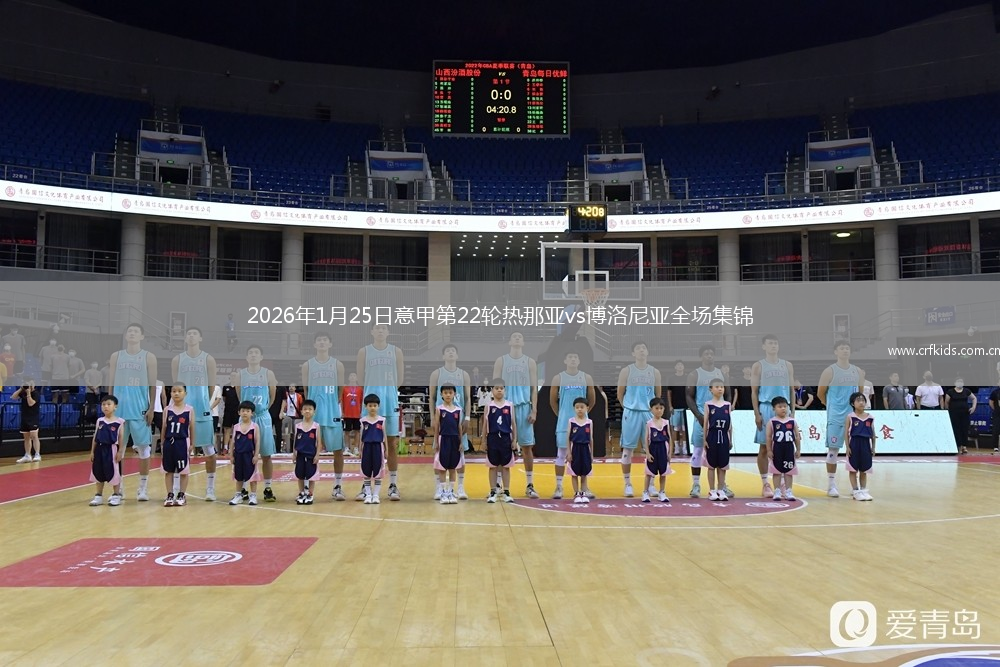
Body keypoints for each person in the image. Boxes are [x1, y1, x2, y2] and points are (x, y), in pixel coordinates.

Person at [109, 323, 158, 502]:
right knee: (117, 450)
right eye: (129, 331)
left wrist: (151, 408)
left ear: (142, 336)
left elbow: (153, 385)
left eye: (136, 331)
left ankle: (142, 489)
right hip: (119, 411)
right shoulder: (116, 356)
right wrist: (109, 406)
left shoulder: (148, 357)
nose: (132, 333)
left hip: (140, 411)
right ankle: (118, 488)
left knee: (144, 450)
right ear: (125, 335)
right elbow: (111, 382)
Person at [357, 324, 404, 501]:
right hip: (371, 402)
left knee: (391, 444)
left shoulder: (396, 351)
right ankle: (365, 486)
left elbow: (400, 379)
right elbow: (361, 378)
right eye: (377, 328)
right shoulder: (364, 352)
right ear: (372, 331)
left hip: (390, 401)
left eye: (383, 328)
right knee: (367, 445)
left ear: (388, 332)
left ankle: (393, 485)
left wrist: (388, 390)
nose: (380, 331)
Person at [172, 326, 219, 500]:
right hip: (181, 410)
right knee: (180, 451)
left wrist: (203, 401)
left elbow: (211, 386)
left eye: (195, 334)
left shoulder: (208, 359)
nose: (191, 336)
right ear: (185, 338)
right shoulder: (177, 359)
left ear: (200, 338)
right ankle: (176, 489)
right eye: (188, 334)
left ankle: (210, 488)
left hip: (202, 410)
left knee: (209, 451)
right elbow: (176, 385)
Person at [302, 332, 348, 501]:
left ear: (330, 344)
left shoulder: (337, 365)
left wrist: (334, 404)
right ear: (314, 344)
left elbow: (340, 389)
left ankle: (337, 486)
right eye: (319, 340)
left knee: (338, 451)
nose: (322, 342)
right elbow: (306, 390)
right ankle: (307, 488)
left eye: (325, 340)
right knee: (307, 452)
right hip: (314, 416)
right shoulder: (307, 365)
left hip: (332, 414)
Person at [817, 340, 865, 498]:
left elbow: (859, 394)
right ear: (835, 352)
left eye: (847, 348)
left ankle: (855, 486)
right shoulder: (829, 371)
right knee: (833, 451)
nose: (845, 350)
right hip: (836, 417)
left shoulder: (858, 371)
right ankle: (831, 485)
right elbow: (820, 393)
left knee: (855, 451)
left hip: (853, 417)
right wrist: (832, 406)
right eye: (842, 348)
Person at [493, 332, 539, 498]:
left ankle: (530, 485)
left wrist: (534, 410)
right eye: (514, 336)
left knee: (527, 447)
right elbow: (495, 387)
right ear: (509, 341)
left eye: (520, 336)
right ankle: (498, 484)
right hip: (505, 408)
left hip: (524, 407)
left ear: (523, 342)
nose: (518, 338)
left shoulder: (530, 362)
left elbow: (534, 388)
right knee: (501, 446)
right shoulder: (501, 361)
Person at [616, 341, 664, 498]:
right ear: (633, 353)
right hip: (631, 412)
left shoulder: (655, 372)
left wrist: (654, 411)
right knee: (627, 449)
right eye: (638, 348)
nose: (641, 350)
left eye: (644, 348)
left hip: (648, 413)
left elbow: (657, 395)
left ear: (647, 352)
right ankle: (627, 484)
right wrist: (627, 407)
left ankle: (651, 484)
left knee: (652, 449)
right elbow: (620, 393)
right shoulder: (626, 371)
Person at [751, 334, 794, 498]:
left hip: (784, 408)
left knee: (784, 447)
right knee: (764, 447)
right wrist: (757, 413)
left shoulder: (787, 365)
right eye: (770, 343)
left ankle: (782, 483)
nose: (773, 346)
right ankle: (765, 483)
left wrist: (793, 411)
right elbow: (754, 392)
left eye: (775, 343)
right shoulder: (758, 366)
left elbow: (791, 389)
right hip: (767, 407)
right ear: (764, 346)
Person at [549, 350, 595, 500]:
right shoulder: (558, 378)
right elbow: (552, 401)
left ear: (579, 360)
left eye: (576, 357)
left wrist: (582, 416)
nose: (573, 359)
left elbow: (592, 399)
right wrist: (562, 414)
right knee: (561, 455)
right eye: (570, 357)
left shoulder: (586, 378)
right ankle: (559, 486)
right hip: (564, 422)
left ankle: (585, 488)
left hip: (582, 423)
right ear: (565, 360)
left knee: (584, 455)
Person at [686, 345, 729, 499]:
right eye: (706, 353)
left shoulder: (722, 374)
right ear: (701, 356)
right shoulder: (694, 374)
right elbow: (689, 396)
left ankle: (722, 486)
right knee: (698, 450)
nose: (709, 356)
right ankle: (696, 484)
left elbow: (728, 394)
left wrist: (726, 411)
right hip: (701, 417)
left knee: (721, 452)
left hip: (719, 419)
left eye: (712, 353)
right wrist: (698, 415)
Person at [430, 344, 472, 500]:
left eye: (453, 351)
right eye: (447, 351)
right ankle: (439, 488)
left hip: (457, 418)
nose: (450, 353)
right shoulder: (436, 374)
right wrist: (433, 418)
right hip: (442, 418)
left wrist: (467, 417)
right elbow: (432, 398)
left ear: (457, 355)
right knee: (439, 455)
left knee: (460, 455)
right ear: (443, 356)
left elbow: (468, 398)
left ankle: (459, 488)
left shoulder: (464, 374)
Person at [239, 345, 278, 502]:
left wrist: (264, 409)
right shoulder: (240, 375)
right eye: (250, 353)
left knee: (266, 454)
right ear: (246, 357)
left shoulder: (268, 374)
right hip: (246, 418)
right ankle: (243, 488)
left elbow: (273, 395)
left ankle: (268, 487)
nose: (253, 355)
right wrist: (247, 411)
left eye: (256, 353)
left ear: (261, 357)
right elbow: (239, 394)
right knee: (243, 455)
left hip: (262, 416)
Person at [161, 384, 195, 507]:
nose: (176, 393)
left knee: (183, 470)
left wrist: (192, 443)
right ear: (170, 393)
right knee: (168, 470)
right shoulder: (167, 410)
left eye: (180, 391)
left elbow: (192, 427)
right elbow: (164, 427)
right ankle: (170, 494)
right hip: (169, 442)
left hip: (182, 442)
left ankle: (181, 494)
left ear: (185, 393)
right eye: (174, 391)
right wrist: (162, 442)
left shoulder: (189, 410)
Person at [484, 378, 517, 503]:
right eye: (496, 388)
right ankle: (493, 491)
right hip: (492, 438)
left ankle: (506, 492)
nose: (499, 390)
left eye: (501, 388)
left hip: (505, 438)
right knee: (492, 466)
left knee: (506, 466)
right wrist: (483, 440)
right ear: (492, 390)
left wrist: (514, 440)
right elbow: (485, 424)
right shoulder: (489, 406)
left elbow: (513, 423)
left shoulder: (509, 405)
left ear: (505, 390)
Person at [88, 394, 125, 506]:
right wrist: (92, 451)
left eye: (109, 404)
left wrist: (120, 452)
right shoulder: (100, 421)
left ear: (115, 407)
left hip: (112, 449)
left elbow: (121, 438)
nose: (105, 406)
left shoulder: (119, 422)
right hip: (99, 448)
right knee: (98, 472)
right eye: (103, 404)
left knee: (114, 473)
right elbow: (95, 437)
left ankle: (116, 495)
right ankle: (98, 496)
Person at [432, 383, 465, 505]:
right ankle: (442, 492)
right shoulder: (439, 409)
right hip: (443, 439)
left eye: (450, 393)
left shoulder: (458, 410)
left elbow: (459, 427)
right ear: (441, 394)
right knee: (442, 467)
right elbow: (437, 427)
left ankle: (450, 491)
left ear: (454, 394)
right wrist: (436, 441)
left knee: (452, 467)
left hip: (455, 440)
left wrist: (461, 442)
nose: (448, 395)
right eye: (445, 393)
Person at [703, 378, 733, 502]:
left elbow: (730, 424)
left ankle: (721, 489)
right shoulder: (708, 404)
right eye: (717, 387)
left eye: (722, 386)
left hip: (724, 437)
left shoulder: (727, 405)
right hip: (712, 436)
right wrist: (704, 439)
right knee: (711, 465)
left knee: (723, 465)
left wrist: (730, 439)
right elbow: (705, 423)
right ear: (711, 389)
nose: (720, 389)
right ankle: (712, 490)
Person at [765, 396, 800, 501]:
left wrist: (798, 449)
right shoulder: (772, 422)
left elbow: (797, 436)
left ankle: (789, 491)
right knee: (777, 470)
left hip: (789, 448)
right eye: (780, 407)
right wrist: (769, 450)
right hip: (777, 448)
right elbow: (768, 437)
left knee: (789, 471)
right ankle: (777, 491)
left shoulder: (792, 421)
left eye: (785, 406)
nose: (783, 408)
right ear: (774, 408)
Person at [228, 400, 262, 506]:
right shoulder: (236, 427)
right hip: (238, 455)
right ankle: (238, 495)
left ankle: (253, 495)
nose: (245, 413)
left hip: (250, 455)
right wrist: (231, 455)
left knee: (252, 476)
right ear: (239, 412)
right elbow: (233, 442)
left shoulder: (254, 426)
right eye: (243, 411)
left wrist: (256, 455)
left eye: (248, 411)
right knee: (238, 476)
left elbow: (257, 442)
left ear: (252, 413)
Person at [845, 392, 876, 501]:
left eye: (863, 400)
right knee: (853, 469)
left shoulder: (870, 417)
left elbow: (873, 434)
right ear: (852, 403)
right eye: (858, 400)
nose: (861, 402)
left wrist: (873, 447)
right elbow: (846, 433)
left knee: (864, 469)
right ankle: (855, 491)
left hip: (866, 444)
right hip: (854, 443)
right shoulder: (850, 417)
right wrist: (847, 447)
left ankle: (863, 490)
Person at [359, 393, 388, 504]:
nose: (372, 408)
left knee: (378, 472)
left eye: (375, 405)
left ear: (378, 406)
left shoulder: (382, 420)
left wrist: (386, 449)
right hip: (366, 447)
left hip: (378, 447)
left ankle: (376, 495)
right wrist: (359, 450)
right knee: (366, 471)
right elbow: (361, 437)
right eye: (370, 405)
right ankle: (368, 495)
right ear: (366, 406)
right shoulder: (363, 421)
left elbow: (384, 436)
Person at [294, 399, 323, 505]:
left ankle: (310, 494)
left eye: (310, 409)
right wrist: (294, 454)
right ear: (301, 411)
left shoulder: (316, 426)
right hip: (300, 454)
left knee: (311, 475)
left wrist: (317, 455)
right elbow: (295, 441)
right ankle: (301, 493)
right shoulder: (298, 426)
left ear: (314, 412)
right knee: (300, 474)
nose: (307, 411)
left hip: (311, 454)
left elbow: (319, 442)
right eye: (305, 409)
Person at [643, 397, 672, 503]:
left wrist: (670, 453)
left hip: (663, 449)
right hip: (653, 449)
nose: (659, 410)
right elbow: (646, 439)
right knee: (649, 473)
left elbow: (670, 439)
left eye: (661, 408)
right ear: (651, 409)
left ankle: (662, 492)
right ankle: (645, 492)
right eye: (656, 408)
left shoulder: (666, 423)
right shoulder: (649, 423)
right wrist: (647, 453)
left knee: (663, 473)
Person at [566, 396, 594, 504]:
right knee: (574, 472)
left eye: (582, 407)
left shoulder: (589, 422)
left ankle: (583, 492)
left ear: (587, 408)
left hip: (585, 449)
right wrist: (569, 452)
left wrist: (592, 454)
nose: (579, 409)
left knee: (584, 473)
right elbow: (568, 438)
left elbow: (591, 439)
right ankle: (576, 493)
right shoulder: (571, 421)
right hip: (575, 449)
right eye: (577, 407)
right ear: (574, 408)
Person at [945, 378, 977, 454]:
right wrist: (948, 411)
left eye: (961, 382)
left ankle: (964, 446)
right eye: (958, 381)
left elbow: (974, 398)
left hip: (965, 413)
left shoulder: (966, 391)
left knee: (964, 429)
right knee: (956, 429)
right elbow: (946, 402)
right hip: (954, 413)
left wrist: (973, 407)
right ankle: (958, 446)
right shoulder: (950, 392)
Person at [13, 380, 40, 463]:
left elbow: (30, 403)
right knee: (26, 437)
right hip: (25, 417)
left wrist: (28, 393)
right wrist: (21, 389)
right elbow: (13, 397)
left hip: (33, 417)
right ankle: (27, 455)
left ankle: (37, 454)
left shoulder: (36, 394)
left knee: (34, 436)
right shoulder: (23, 393)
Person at [668, 360, 689, 457]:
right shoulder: (671, 378)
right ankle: (676, 447)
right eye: (678, 365)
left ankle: (684, 447)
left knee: (684, 428)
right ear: (675, 367)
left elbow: (690, 392)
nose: (680, 366)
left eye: (681, 365)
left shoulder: (687, 378)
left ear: (684, 367)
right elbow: (669, 392)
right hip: (675, 407)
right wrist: (670, 405)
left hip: (685, 407)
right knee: (675, 428)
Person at [340, 372, 363, 457]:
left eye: (354, 376)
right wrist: (342, 412)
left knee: (357, 431)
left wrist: (361, 412)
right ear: (348, 378)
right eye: (351, 375)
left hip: (357, 414)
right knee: (347, 431)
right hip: (347, 414)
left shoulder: (360, 389)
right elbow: (342, 401)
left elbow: (361, 402)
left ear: (357, 378)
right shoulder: (345, 389)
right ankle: (347, 447)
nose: (353, 377)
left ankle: (356, 448)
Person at [220, 371, 241, 456]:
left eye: (235, 376)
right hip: (228, 411)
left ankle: (236, 447)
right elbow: (224, 398)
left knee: (237, 430)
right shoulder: (226, 387)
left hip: (237, 412)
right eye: (232, 376)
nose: (233, 377)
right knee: (227, 429)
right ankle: (225, 448)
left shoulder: (239, 387)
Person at [282, 385, 304, 453]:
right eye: (290, 386)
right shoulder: (286, 395)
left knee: (295, 433)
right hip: (287, 416)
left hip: (296, 416)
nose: (291, 388)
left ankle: (295, 448)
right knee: (287, 433)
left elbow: (301, 405)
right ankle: (287, 448)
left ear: (295, 388)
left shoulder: (299, 396)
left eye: (293, 386)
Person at [210, 383, 223, 449]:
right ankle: (202, 449)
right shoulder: (202, 388)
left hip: (214, 414)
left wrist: (210, 408)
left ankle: (212, 448)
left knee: (213, 432)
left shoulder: (217, 388)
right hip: (203, 414)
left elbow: (218, 399)